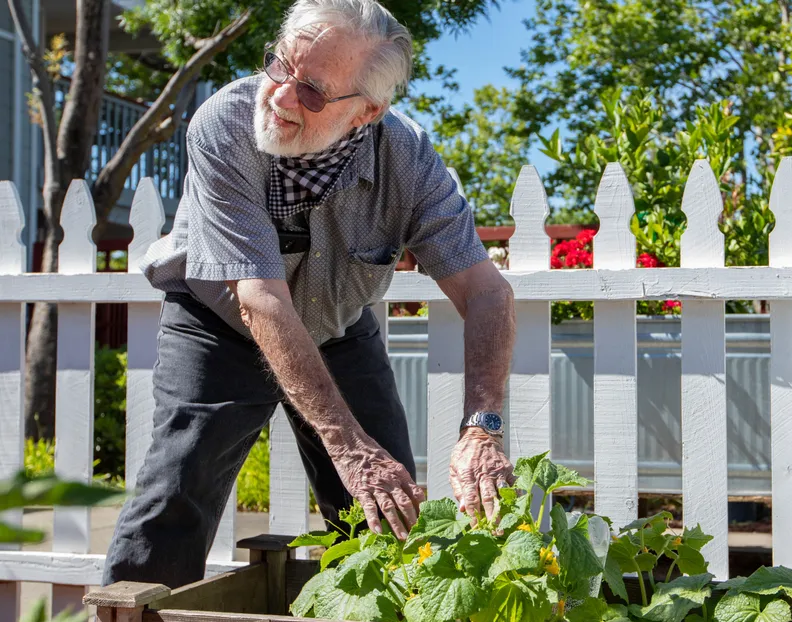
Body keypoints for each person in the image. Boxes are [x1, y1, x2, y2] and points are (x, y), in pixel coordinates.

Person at [102, 0, 516, 588]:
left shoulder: (409, 161)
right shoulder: (223, 124)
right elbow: (260, 298)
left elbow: (487, 293)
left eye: (314, 93)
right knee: (175, 495)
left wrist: (483, 427)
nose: (280, 96)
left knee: (387, 507)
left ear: (366, 112)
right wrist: (347, 446)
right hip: (219, 321)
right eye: (279, 66)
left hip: (338, 324)